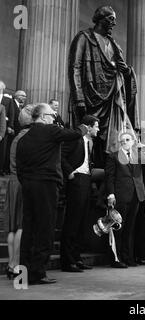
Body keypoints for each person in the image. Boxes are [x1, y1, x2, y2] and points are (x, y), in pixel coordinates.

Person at [17, 103, 87, 285]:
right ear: (41, 117)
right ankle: (38, 273)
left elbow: (20, 168)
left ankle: (23, 274)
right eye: (51, 115)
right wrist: (84, 125)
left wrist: (27, 182)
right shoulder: (49, 131)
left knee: (29, 229)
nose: (54, 118)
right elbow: (75, 134)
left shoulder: (23, 138)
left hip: (28, 185)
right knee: (45, 228)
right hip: (47, 185)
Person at [68, 6, 139, 168]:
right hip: (90, 96)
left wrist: (128, 73)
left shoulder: (115, 45)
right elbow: (75, 67)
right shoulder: (84, 38)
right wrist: (78, 96)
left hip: (112, 98)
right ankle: (88, 170)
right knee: (89, 138)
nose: (114, 23)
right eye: (110, 19)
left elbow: (122, 71)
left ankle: (108, 175)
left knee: (112, 139)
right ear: (100, 19)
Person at [105, 132, 145, 268]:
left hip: (136, 196)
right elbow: (110, 177)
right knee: (118, 227)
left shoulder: (138, 156)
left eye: (127, 140)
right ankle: (116, 258)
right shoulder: (113, 156)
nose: (125, 142)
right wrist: (111, 194)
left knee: (130, 229)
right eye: (122, 140)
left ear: (133, 141)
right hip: (120, 196)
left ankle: (127, 257)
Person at [60, 115, 100, 272]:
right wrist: (69, 172)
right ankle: (67, 261)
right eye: (96, 126)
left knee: (82, 222)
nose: (98, 129)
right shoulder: (74, 139)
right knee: (72, 221)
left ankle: (76, 258)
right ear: (88, 127)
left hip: (86, 181)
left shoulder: (90, 142)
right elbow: (61, 155)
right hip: (76, 181)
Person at [3, 105, 34, 279]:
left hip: (13, 182)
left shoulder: (17, 137)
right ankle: (16, 265)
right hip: (22, 181)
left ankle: (11, 264)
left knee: (13, 227)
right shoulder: (27, 138)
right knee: (21, 225)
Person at [0, 81, 16, 176]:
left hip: (3, 128)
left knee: (2, 150)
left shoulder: (8, 100)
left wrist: (10, 126)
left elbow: (12, 113)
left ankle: (1, 169)